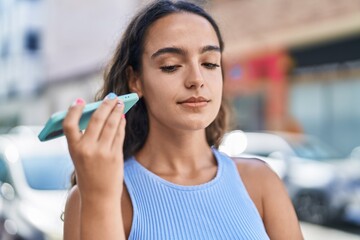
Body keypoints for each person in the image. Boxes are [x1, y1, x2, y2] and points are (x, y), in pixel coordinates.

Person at [62, 1, 304, 239]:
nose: (197, 79)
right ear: (135, 80)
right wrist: (100, 198)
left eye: (210, 63)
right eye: (171, 66)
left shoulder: (260, 182)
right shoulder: (94, 195)